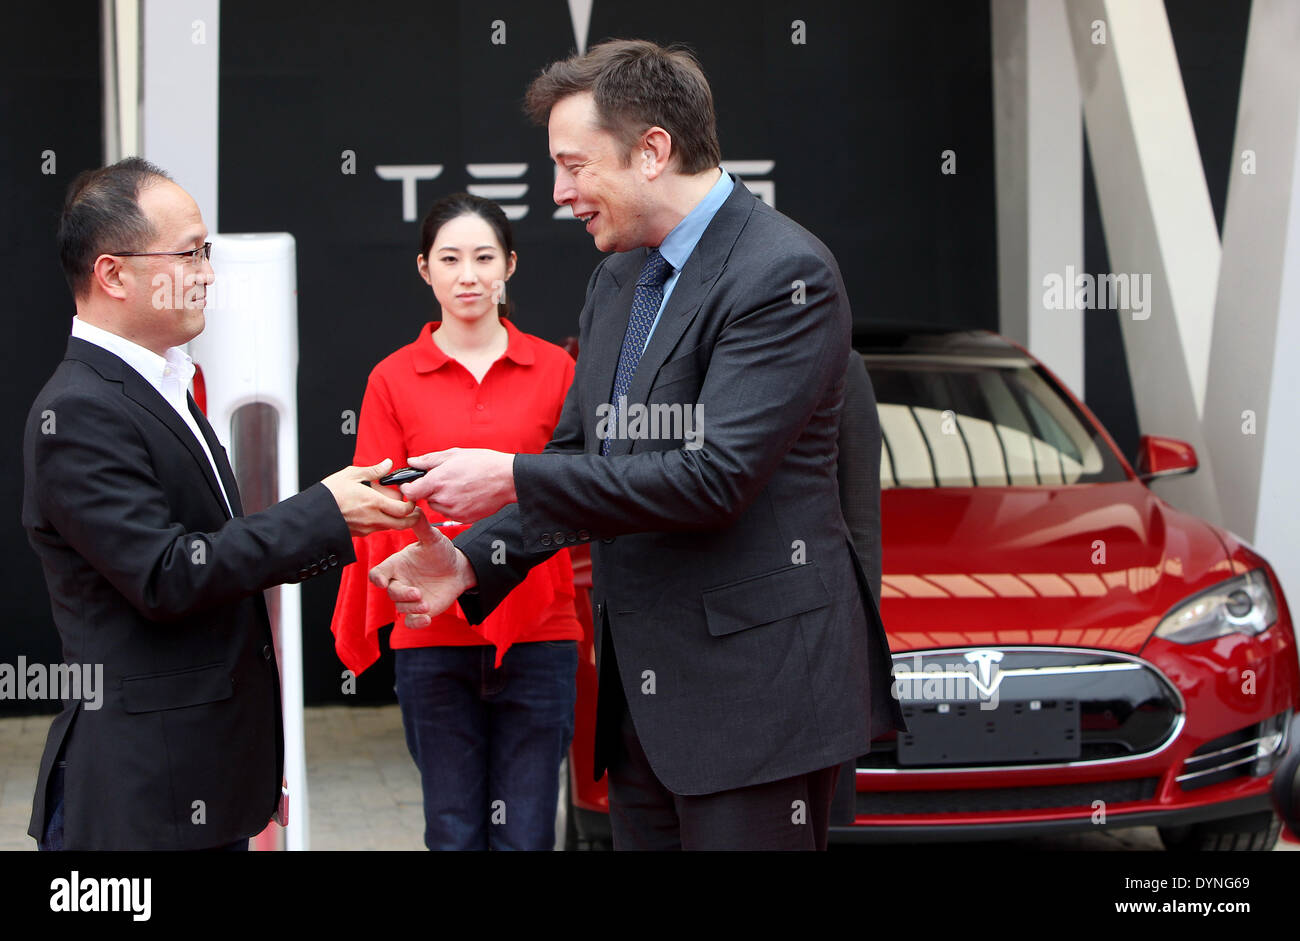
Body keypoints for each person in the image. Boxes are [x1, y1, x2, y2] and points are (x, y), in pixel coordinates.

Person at [370, 40, 906, 850]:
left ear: (653, 151)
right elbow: (587, 456)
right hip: (644, 714)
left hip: (756, 708)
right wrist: (473, 560)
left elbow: (715, 478)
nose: (561, 194)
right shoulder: (619, 276)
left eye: (575, 165)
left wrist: (511, 475)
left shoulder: (783, 272)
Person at [22, 157, 419, 851]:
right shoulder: (80, 410)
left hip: (199, 784)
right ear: (113, 273)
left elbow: (214, 558)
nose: (208, 272)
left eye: (207, 252)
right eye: (191, 252)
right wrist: (324, 510)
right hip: (144, 799)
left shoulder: (162, 383)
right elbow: (166, 575)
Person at [329, 193, 582, 850]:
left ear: (510, 266)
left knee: (527, 834)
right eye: (450, 258)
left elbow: (579, 492)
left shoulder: (557, 370)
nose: (468, 274)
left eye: (483, 257)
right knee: (451, 829)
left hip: (542, 629)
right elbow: (372, 497)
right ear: (424, 270)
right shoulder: (391, 378)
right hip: (432, 634)